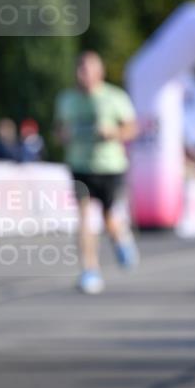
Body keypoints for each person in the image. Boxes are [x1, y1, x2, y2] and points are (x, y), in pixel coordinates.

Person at [54, 51, 138, 295]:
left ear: (99, 72)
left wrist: (113, 133)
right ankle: (90, 270)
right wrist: (63, 136)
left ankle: (120, 238)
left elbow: (132, 128)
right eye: (80, 70)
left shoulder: (114, 97)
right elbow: (58, 130)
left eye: (89, 70)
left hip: (110, 166)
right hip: (80, 166)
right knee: (84, 218)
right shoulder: (66, 99)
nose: (84, 75)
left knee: (109, 219)